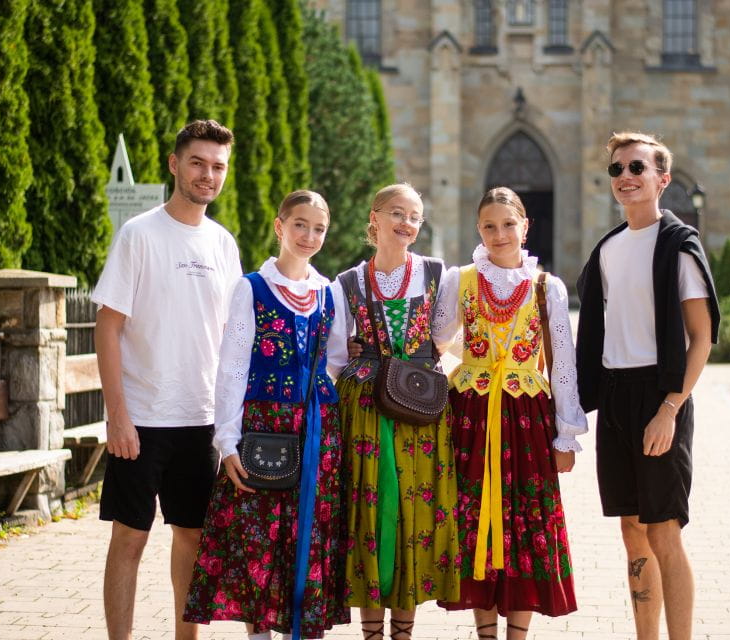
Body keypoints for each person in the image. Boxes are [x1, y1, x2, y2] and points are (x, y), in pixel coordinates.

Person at [92, 119, 242, 640]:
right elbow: (108, 328)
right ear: (175, 164)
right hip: (142, 419)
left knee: (194, 539)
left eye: (217, 166)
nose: (207, 174)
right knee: (129, 540)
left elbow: (230, 338)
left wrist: (229, 424)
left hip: (200, 419)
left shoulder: (224, 244)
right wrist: (118, 416)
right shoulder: (139, 234)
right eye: (197, 163)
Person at [183, 190, 348, 640]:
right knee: (260, 531)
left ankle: (305, 628)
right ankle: (259, 634)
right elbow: (233, 365)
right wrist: (227, 439)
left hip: (315, 427)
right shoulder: (251, 287)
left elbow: (335, 358)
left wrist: (310, 391)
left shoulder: (327, 292)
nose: (309, 235)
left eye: (318, 228)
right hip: (263, 427)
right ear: (280, 226)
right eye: (300, 224)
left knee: (307, 529)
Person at [575, 132, 720, 640]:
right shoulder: (609, 249)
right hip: (616, 396)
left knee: (663, 531)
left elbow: (701, 338)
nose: (626, 178)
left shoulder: (679, 246)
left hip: (660, 395)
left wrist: (670, 407)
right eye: (617, 170)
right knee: (631, 530)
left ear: (663, 178)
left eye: (636, 167)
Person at [435, 187, 587, 640]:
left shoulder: (547, 287)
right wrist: (475, 355)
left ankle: (517, 634)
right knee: (472, 516)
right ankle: (484, 632)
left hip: (526, 418)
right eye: (488, 225)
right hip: (471, 415)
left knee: (525, 521)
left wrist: (566, 434)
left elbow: (563, 362)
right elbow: (435, 339)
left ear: (525, 226)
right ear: (478, 229)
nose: (499, 234)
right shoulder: (458, 280)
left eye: (507, 224)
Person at [327, 183, 459, 640]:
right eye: (398, 213)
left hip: (420, 410)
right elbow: (335, 358)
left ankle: (402, 631)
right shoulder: (345, 283)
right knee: (372, 511)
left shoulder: (440, 274)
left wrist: (406, 363)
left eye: (415, 217)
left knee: (412, 513)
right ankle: (372, 634)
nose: (407, 223)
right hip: (365, 413)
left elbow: (443, 338)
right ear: (375, 217)